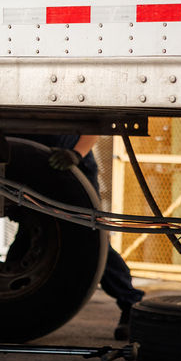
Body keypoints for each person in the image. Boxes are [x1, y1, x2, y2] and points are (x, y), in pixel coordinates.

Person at [32, 133, 145, 340]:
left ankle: (131, 303)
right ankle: (11, 303)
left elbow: (95, 125)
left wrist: (77, 153)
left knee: (92, 241)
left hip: (72, 164)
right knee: (34, 234)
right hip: (35, 165)